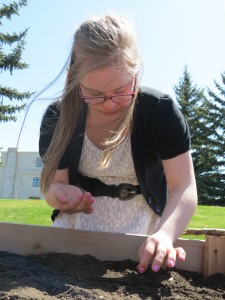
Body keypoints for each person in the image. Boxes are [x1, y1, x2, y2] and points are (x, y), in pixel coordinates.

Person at [39, 13, 198, 274]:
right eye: (95, 94)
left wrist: (165, 235)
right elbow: (52, 187)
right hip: (73, 235)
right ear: (76, 81)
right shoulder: (58, 117)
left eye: (122, 90)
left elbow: (184, 187)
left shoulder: (160, 112)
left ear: (136, 72)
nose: (110, 103)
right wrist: (61, 196)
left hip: (141, 237)